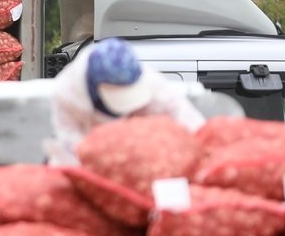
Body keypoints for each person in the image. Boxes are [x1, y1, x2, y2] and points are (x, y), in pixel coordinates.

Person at [46, 37, 206, 166]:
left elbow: (192, 126)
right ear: (94, 85)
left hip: (147, 159)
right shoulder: (67, 93)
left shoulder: (156, 87)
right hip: (92, 162)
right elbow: (69, 143)